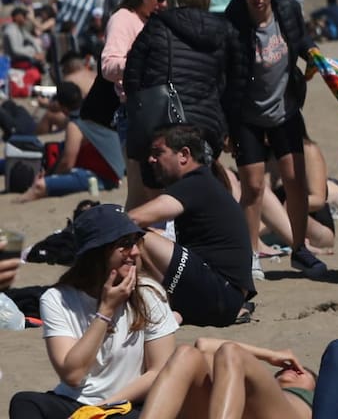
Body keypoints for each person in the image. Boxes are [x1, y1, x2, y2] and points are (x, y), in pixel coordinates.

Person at [8, 204, 177, 419]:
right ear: (97, 252)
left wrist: (103, 408)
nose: (135, 251)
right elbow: (73, 376)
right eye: (125, 244)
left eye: (136, 241)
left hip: (124, 405)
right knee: (25, 402)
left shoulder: (149, 293)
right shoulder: (57, 299)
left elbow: (160, 370)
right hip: (74, 403)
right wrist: (105, 312)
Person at [225, 0, 326, 279]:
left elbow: (301, 40)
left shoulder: (287, 10)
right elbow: (223, 75)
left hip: (285, 108)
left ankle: (300, 250)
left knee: (296, 181)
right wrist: (225, 126)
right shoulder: (233, 21)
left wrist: (312, 53)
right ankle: (250, 255)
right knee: (253, 187)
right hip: (246, 115)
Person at [128, 124, 255, 327]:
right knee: (144, 236)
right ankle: (166, 310)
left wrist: (101, 226)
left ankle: (143, 309)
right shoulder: (202, 182)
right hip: (225, 296)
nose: (151, 159)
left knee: (138, 237)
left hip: (222, 296)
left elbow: (134, 219)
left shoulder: (194, 184)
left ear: (184, 155)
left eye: (158, 153)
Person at [123, 0, 242, 183]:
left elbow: (132, 73)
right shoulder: (225, 31)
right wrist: (226, 126)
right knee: (199, 186)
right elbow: (235, 82)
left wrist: (139, 107)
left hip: (163, 122)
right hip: (206, 125)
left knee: (162, 189)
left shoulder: (157, 26)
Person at [100, 0, 176, 210]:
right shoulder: (123, 19)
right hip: (135, 114)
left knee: (158, 190)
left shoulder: (156, 18)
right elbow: (108, 66)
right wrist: (142, 64)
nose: (164, 4)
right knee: (140, 193)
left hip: (161, 112)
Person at [139, 337, 316, 419]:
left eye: (303, 372)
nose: (294, 370)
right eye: (287, 368)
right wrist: (270, 354)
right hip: (232, 412)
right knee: (186, 354)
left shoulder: (318, 398)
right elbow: (204, 345)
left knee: (231, 352)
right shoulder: (239, 391)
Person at [20, 83, 123, 201]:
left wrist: (51, 178)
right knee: (57, 149)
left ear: (62, 107)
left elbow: (67, 163)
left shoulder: (75, 125)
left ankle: (17, 202)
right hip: (111, 172)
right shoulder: (91, 111)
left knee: (40, 186)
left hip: (102, 179)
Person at [3, 5, 46, 70]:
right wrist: (34, 55)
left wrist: (40, 52)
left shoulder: (20, 28)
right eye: (24, 16)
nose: (26, 19)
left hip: (23, 58)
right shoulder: (11, 30)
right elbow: (16, 50)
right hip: (14, 61)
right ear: (17, 17)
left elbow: (33, 40)